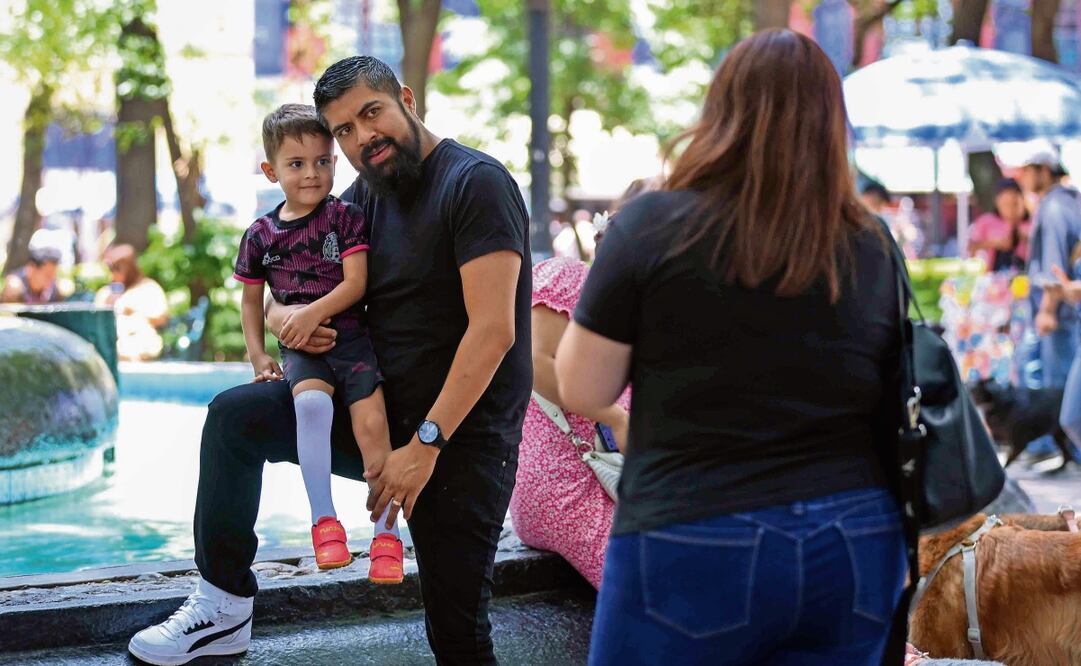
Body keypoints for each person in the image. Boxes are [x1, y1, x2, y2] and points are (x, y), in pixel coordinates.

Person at [128, 55, 530, 666]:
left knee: (456, 636)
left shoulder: (475, 184)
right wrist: (292, 318)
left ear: (406, 99)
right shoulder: (361, 196)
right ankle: (224, 606)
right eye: (343, 129)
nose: (361, 137)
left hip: (459, 436)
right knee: (234, 419)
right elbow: (278, 283)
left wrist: (425, 445)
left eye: (371, 113)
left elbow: (494, 331)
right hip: (372, 408)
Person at [557, 30, 906, 665]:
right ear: (832, 126)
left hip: (694, 531)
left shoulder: (651, 225)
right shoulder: (871, 242)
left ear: (721, 112)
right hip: (854, 534)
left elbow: (583, 389)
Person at [232, 104, 402, 579]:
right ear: (271, 171)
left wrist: (308, 314)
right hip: (303, 352)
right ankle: (324, 523)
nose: (312, 174)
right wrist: (259, 354)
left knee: (373, 428)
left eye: (323, 161)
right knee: (311, 409)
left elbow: (356, 284)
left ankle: (387, 534)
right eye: (296, 164)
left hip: (353, 342)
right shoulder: (261, 234)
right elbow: (251, 302)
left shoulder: (344, 218)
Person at [508, 177, 657, 589]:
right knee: (650, 578)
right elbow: (534, 360)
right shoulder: (571, 277)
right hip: (564, 480)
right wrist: (615, 418)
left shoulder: (644, 314)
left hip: (613, 481)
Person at [1019, 148, 1081, 390]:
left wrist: (1047, 311)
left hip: (1058, 316)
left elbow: (1053, 266)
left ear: (1043, 170)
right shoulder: (1069, 202)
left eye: (1026, 170)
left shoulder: (1053, 208)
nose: (1022, 177)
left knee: (1056, 395)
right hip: (1068, 314)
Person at [94, 243, 169, 361]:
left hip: (139, 342)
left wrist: (134, 312)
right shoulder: (106, 293)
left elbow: (160, 318)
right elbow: (95, 319)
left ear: (129, 268)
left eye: (117, 268)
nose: (113, 273)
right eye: (111, 268)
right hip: (110, 342)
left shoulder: (148, 288)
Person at [968, 178, 1031, 272]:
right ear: (997, 201)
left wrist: (1017, 219)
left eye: (1013, 203)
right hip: (992, 277)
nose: (1009, 207)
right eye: (1005, 203)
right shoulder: (987, 221)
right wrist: (994, 243)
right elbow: (970, 247)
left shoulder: (1029, 222)